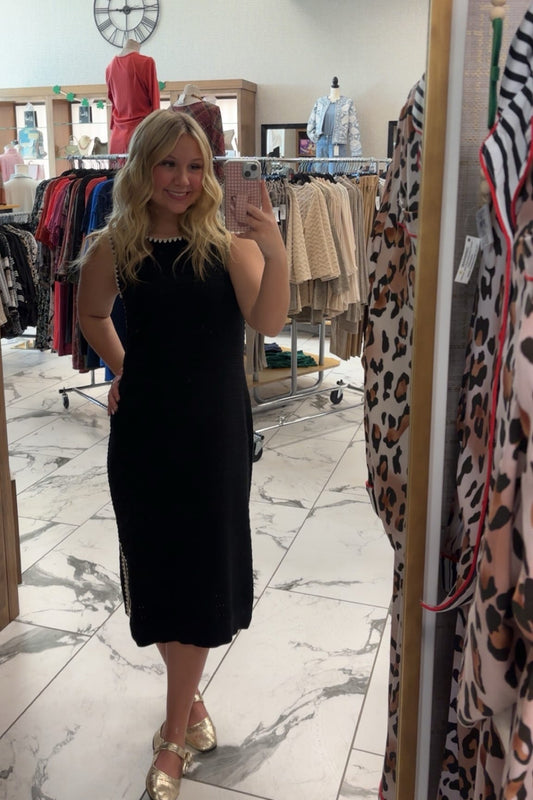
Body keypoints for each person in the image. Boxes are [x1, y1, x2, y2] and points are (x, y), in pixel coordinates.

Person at [77, 108, 289, 800]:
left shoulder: (227, 245)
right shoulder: (116, 245)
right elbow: (90, 314)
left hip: (211, 436)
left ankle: (172, 738)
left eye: (196, 167)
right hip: (143, 433)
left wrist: (276, 249)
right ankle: (189, 700)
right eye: (168, 163)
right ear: (143, 166)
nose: (183, 179)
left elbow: (268, 321)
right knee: (160, 567)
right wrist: (123, 368)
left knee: (199, 574)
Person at [105, 38, 160, 154]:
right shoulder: (146, 62)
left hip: (117, 137)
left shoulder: (109, 68)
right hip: (141, 134)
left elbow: (113, 103)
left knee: (116, 172)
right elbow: (155, 102)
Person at [306, 76, 362, 167]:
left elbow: (354, 128)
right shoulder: (320, 102)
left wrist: (356, 152)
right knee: (320, 176)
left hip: (338, 143)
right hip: (322, 141)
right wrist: (316, 138)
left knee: (336, 175)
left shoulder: (347, 103)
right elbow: (311, 124)